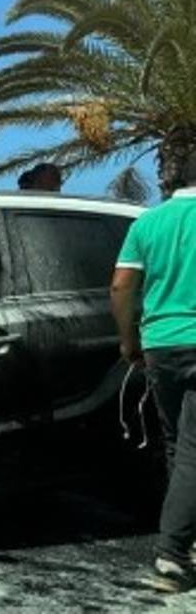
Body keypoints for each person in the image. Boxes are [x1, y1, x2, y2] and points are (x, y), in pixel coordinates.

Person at [111, 151, 196, 592]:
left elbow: (122, 284)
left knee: (177, 446)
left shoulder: (146, 224)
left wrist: (129, 341)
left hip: (161, 345)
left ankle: (185, 540)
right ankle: (173, 556)